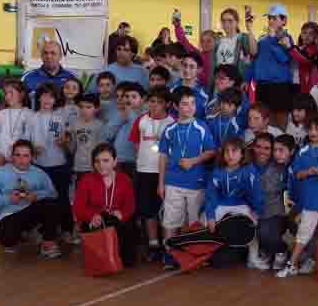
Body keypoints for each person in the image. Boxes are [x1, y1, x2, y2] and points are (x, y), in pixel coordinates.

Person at [277, 112, 318, 278]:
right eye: (310, 129)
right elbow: (297, 174)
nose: (313, 132)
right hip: (310, 200)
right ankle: (292, 264)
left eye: (317, 129)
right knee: (303, 233)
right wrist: (308, 172)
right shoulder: (302, 151)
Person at [158, 87, 216, 260]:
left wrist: (193, 161)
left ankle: (193, 255)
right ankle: (169, 254)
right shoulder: (170, 129)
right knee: (170, 220)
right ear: (176, 106)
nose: (190, 107)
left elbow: (211, 151)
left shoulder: (202, 127)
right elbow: (163, 157)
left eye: (192, 103)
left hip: (196, 183)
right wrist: (160, 183)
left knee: (194, 222)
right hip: (173, 182)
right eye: (185, 104)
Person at [0, 139, 64, 257]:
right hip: (9, 215)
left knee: (52, 204)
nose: (21, 159)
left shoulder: (39, 173)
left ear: (32, 157)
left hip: (30, 211)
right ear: (12, 156)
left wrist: (36, 196)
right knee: (9, 242)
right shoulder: (0, 174)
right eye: (18, 155)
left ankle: (48, 243)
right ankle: (5, 227)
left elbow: (53, 193)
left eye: (26, 156)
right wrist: (8, 199)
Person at [73, 143, 140, 266]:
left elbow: (130, 205)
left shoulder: (125, 180)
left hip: (117, 220)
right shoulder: (86, 180)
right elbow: (78, 207)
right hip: (95, 221)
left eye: (106, 160)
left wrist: (121, 214)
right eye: (97, 161)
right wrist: (92, 216)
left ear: (114, 162)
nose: (101, 165)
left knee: (128, 262)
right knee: (100, 262)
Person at [129, 87, 174, 257]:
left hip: (165, 173)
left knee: (165, 210)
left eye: (159, 102)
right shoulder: (141, 120)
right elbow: (135, 144)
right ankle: (153, 244)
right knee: (148, 210)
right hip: (144, 171)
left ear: (167, 104)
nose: (154, 105)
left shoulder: (172, 123)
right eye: (152, 101)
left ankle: (167, 243)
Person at [31, 83, 74, 243]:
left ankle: (67, 230)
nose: (47, 99)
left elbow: (69, 146)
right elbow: (25, 142)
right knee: (42, 199)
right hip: (39, 165)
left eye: (51, 96)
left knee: (62, 198)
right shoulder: (32, 118)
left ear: (56, 99)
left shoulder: (60, 118)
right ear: (39, 98)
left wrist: (64, 142)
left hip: (59, 165)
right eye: (44, 95)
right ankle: (45, 231)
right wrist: (33, 149)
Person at [247, 4, 295, 129]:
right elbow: (254, 56)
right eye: (269, 18)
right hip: (263, 86)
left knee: (280, 125)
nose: (271, 21)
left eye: (274, 18)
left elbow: (284, 59)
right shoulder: (263, 39)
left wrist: (274, 39)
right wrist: (250, 29)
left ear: (284, 20)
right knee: (264, 124)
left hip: (279, 87)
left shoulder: (286, 38)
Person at [247, 133, 290, 271]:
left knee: (266, 233)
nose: (262, 151)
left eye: (267, 148)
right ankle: (266, 251)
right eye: (258, 147)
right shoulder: (246, 165)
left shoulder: (281, 166)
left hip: (273, 211)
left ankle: (281, 251)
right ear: (253, 147)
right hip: (250, 209)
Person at [205, 137, 259, 230]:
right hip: (221, 204)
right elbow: (211, 195)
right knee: (207, 221)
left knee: (250, 224)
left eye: (234, 151)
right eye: (227, 151)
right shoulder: (217, 171)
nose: (230, 155)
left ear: (242, 153)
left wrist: (256, 210)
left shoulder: (249, 170)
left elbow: (255, 193)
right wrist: (211, 217)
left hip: (242, 205)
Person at [0, 79, 34, 169]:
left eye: (11, 93)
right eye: (6, 93)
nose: (7, 97)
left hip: (21, 163)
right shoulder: (1, 113)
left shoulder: (30, 115)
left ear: (21, 94)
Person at [22, 41, 78, 108]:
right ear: (41, 56)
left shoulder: (71, 77)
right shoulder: (29, 77)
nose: (49, 56)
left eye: (53, 53)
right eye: (45, 53)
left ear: (60, 56)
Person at [66, 94, 103, 184]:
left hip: (96, 167)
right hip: (79, 166)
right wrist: (65, 143)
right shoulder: (74, 124)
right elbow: (71, 148)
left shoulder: (100, 125)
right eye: (81, 107)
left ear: (97, 108)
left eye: (88, 107)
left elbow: (102, 149)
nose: (84, 110)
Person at [170, 51, 208, 120]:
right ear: (181, 66)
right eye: (185, 65)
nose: (187, 70)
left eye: (192, 67)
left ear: (199, 70)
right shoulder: (172, 89)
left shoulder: (203, 94)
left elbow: (203, 118)